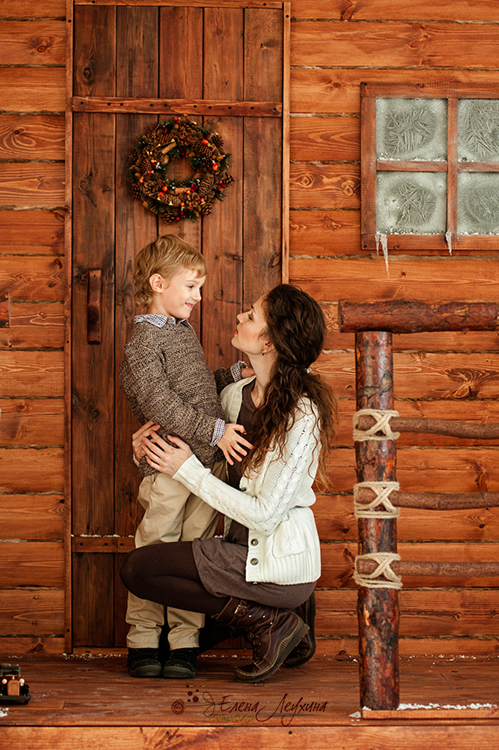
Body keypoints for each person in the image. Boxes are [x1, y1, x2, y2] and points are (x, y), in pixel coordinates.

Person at [121, 283, 337, 683]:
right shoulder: (233, 396)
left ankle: (274, 620)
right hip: (236, 551)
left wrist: (188, 470)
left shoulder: (303, 415)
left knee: (139, 570)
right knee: (180, 638)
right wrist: (144, 452)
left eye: (251, 316)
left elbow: (265, 515)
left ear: (270, 342)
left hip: (276, 562)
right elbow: (189, 446)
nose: (240, 317)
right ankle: (276, 618)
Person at [119, 234, 253, 680]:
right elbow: (159, 403)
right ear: (158, 284)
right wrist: (215, 430)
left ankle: (184, 641)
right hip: (168, 465)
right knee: (156, 548)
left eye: (199, 287)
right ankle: (143, 639)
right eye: (191, 287)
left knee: (194, 554)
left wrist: (229, 375)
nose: (197, 296)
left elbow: (194, 391)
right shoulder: (143, 341)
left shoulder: (181, 332)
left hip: (203, 467)